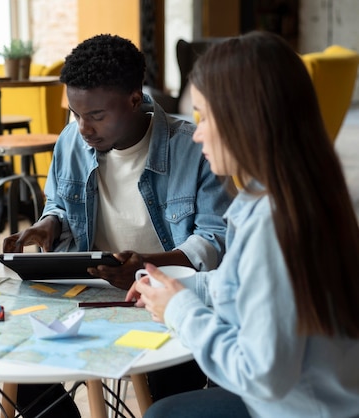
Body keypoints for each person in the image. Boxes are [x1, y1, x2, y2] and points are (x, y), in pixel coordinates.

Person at [129, 31, 359, 418]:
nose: (197, 132)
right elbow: (248, 284)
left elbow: (261, 375)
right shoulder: (297, 191)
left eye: (204, 116)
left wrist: (180, 309)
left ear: (246, 119)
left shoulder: (275, 223)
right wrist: (181, 286)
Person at [6, 34, 233, 413]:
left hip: (167, 297)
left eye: (95, 116)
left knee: (170, 388)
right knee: (18, 367)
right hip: (88, 295)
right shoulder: (70, 141)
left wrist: (146, 268)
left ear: (133, 99)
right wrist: (50, 223)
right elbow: (60, 202)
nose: (83, 128)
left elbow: (214, 240)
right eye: (75, 114)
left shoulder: (193, 148)